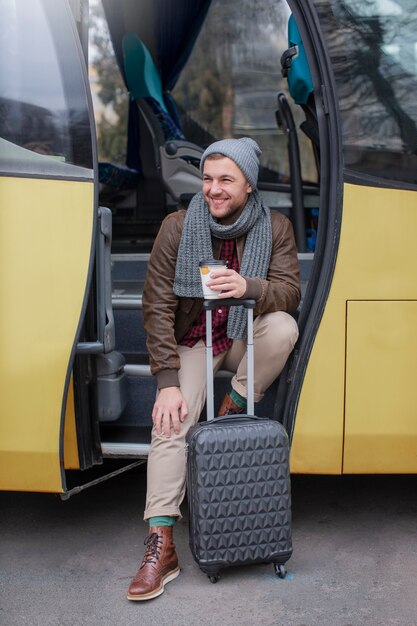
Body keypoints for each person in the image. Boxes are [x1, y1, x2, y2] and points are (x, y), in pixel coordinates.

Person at [127, 137, 300, 601]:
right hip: (196, 337)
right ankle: (161, 541)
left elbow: (288, 292)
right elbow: (157, 304)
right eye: (207, 178)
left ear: (248, 184)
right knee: (172, 421)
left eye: (226, 179)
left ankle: (234, 407)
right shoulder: (178, 226)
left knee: (283, 327)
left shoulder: (275, 226)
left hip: (243, 337)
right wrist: (165, 383)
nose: (214, 189)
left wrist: (248, 285)